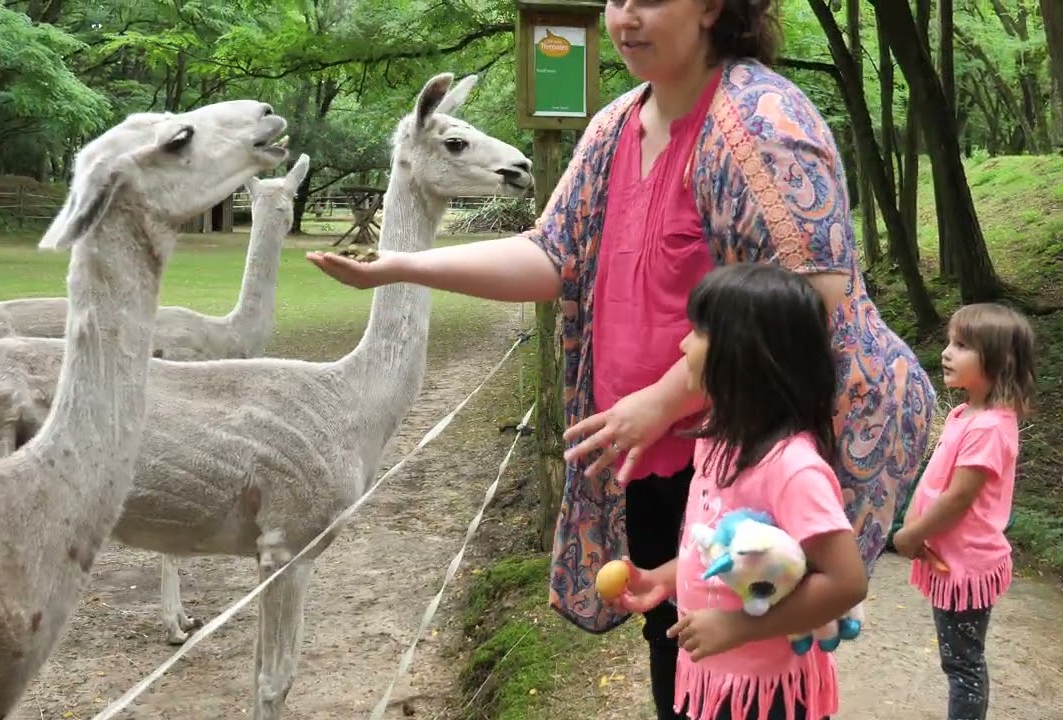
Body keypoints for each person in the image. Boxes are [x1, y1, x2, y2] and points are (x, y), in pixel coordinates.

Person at [306, 0, 934, 715]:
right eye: (615, 0)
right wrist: (399, 265)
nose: (626, 18)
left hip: (748, 451)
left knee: (749, 652)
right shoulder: (612, 127)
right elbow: (550, 252)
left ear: (711, 7)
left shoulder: (768, 124)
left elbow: (812, 289)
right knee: (677, 640)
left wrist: (666, 396)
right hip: (650, 453)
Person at [610, 262, 868, 720]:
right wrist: (662, 579)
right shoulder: (714, 439)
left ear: (745, 355)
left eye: (698, 333)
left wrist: (736, 625)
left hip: (768, 699)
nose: (683, 343)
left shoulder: (793, 469)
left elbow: (846, 582)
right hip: (717, 680)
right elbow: (713, 544)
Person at [893, 303, 1035, 720]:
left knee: (963, 665)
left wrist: (911, 534)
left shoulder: (990, 427)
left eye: (962, 345)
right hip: (947, 558)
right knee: (958, 661)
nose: (946, 353)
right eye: (949, 342)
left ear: (998, 360)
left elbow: (957, 498)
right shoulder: (964, 414)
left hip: (966, 564)